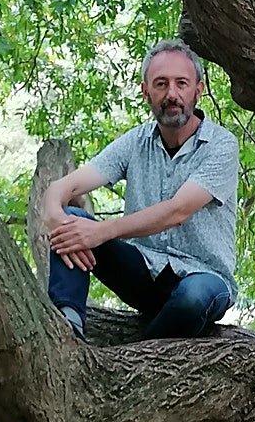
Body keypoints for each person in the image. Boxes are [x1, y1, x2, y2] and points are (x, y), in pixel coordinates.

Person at [42, 39, 239, 341]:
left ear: (197, 91)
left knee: (193, 297)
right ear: (146, 92)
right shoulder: (136, 142)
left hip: (205, 279)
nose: (171, 94)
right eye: (161, 84)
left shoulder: (222, 145)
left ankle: (131, 357)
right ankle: (66, 330)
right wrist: (58, 220)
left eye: (181, 83)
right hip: (144, 274)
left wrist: (100, 231)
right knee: (72, 221)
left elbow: (178, 211)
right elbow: (62, 187)